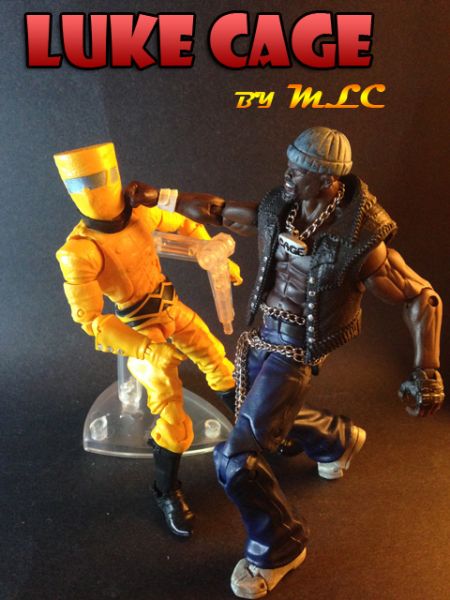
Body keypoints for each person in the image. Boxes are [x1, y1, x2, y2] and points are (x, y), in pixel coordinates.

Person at [125, 127, 445, 598]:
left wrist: (428, 371)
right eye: (289, 166)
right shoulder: (283, 207)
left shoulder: (361, 239)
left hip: (297, 350)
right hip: (262, 335)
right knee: (260, 412)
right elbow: (218, 211)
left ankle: (279, 547)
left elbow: (421, 297)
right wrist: (159, 198)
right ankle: (336, 439)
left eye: (299, 171)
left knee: (235, 459)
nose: (287, 176)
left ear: (328, 180)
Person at [55, 142, 241, 538]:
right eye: (84, 183)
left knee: (219, 363)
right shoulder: (80, 251)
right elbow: (90, 320)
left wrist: (216, 257)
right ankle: (167, 490)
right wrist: (146, 349)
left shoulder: (139, 211)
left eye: (102, 177)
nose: (97, 188)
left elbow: (186, 226)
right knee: (172, 413)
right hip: (140, 327)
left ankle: (254, 435)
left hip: (171, 306)